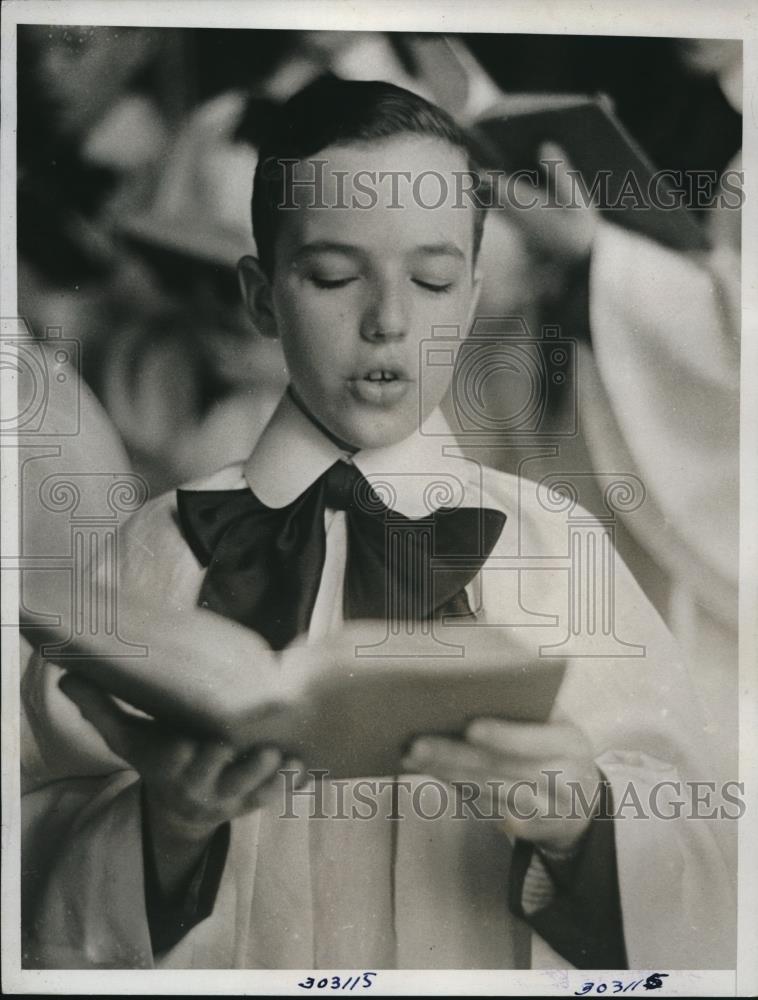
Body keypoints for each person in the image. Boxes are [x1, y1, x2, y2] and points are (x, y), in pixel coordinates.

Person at [21, 77, 735, 972]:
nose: (389, 323)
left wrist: (581, 821)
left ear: (473, 297)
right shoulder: (152, 551)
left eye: (432, 280)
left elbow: (714, 863)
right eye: (332, 275)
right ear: (261, 295)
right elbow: (31, 872)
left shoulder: (557, 547)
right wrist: (165, 831)